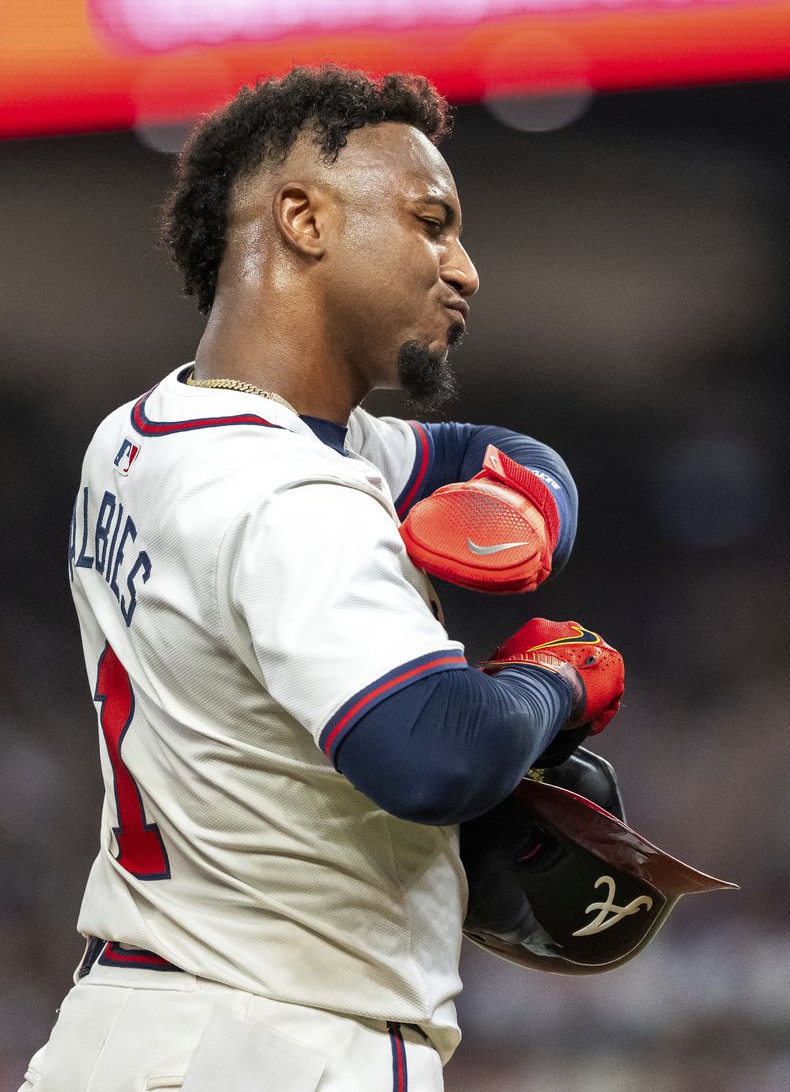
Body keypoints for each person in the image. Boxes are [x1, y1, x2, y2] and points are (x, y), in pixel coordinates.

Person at [19, 66, 624, 1092]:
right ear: (301, 218)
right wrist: (555, 679)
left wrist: (534, 510)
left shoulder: (139, 433)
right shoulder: (291, 497)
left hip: (118, 1030)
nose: (463, 267)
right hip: (287, 1043)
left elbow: (509, 458)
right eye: (430, 222)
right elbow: (434, 755)